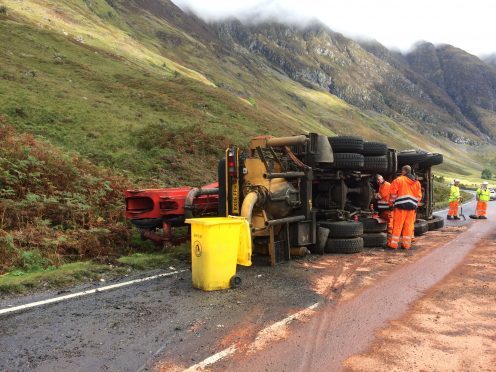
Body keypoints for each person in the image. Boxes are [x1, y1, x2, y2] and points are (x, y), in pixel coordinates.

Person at [388, 165, 422, 250]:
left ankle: (393, 245)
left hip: (400, 207)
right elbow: (419, 196)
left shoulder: (399, 180)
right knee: (409, 226)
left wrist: (391, 204)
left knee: (398, 225)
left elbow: (393, 194)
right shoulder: (417, 182)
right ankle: (406, 245)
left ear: (404, 171)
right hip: (412, 208)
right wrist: (415, 205)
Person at [374, 174, 392, 239]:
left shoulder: (386, 185)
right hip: (383, 208)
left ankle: (390, 240)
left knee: (389, 224)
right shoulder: (381, 185)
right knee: (387, 224)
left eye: (379, 179)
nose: (378, 181)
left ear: (382, 179)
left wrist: (375, 195)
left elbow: (380, 196)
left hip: (387, 208)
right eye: (377, 180)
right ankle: (388, 239)